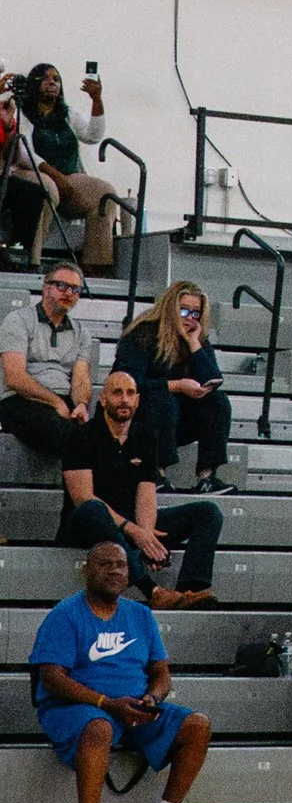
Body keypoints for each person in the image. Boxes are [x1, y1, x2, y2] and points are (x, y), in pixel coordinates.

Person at [31, 537, 209, 803]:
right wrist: (106, 703)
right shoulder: (65, 614)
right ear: (87, 572)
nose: (115, 570)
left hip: (133, 708)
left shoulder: (141, 615)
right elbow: (53, 678)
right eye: (106, 564)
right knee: (98, 727)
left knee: (197, 725)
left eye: (121, 565)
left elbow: (161, 673)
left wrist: (151, 699)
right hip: (78, 707)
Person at [58, 365, 222, 603]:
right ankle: (154, 592)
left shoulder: (145, 436)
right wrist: (136, 533)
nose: (124, 399)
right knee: (94, 510)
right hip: (88, 526)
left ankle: (190, 590)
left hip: (131, 523)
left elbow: (146, 494)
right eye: (117, 393)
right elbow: (83, 497)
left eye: (130, 393)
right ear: (103, 399)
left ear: (137, 400)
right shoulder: (81, 436)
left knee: (208, 512)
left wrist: (147, 537)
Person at [113, 281, 231, 485]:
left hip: (178, 419)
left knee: (217, 402)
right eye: (184, 311)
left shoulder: (196, 337)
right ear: (170, 309)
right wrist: (176, 385)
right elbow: (127, 383)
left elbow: (213, 380)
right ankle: (155, 474)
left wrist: (194, 344)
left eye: (195, 314)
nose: (189, 319)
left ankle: (207, 476)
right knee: (163, 400)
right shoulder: (143, 333)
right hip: (140, 414)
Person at [12, 64, 126, 272]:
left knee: (105, 195)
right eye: (45, 79)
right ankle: (34, 259)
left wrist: (96, 100)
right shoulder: (23, 113)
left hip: (67, 177)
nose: (52, 82)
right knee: (50, 189)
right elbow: (24, 153)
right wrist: (56, 176)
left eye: (56, 79)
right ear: (33, 84)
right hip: (33, 173)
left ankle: (95, 265)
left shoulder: (67, 114)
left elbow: (93, 135)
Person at [1, 258, 98, 465]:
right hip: (20, 400)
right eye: (62, 286)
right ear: (46, 288)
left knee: (99, 436)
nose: (68, 293)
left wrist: (81, 404)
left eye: (75, 289)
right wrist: (55, 402)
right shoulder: (18, 320)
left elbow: (80, 377)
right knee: (69, 436)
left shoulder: (82, 333)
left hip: (63, 400)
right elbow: (14, 377)